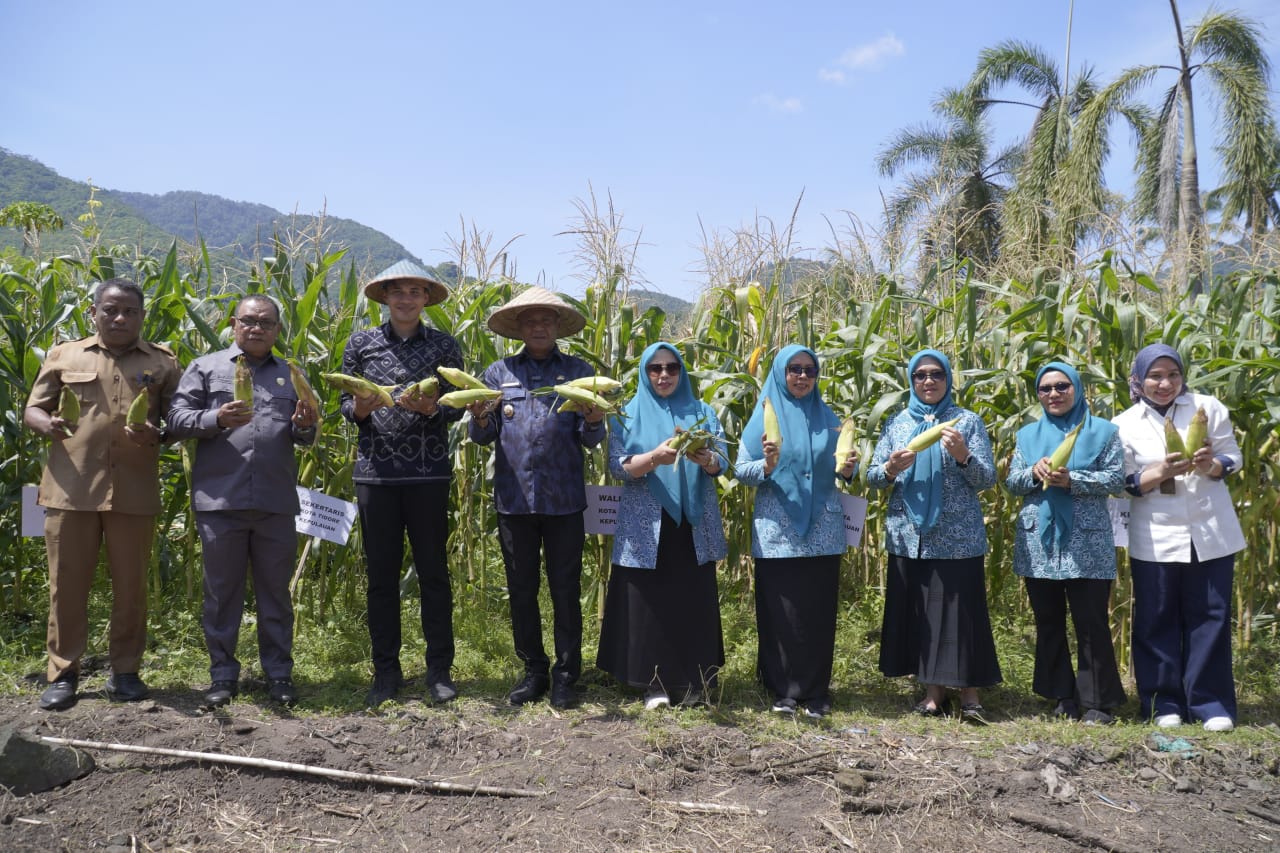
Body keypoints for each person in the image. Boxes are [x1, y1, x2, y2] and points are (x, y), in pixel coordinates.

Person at [24, 278, 182, 710]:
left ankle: (126, 671)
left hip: (133, 491)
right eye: (110, 310)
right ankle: (63, 673)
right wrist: (47, 424)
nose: (120, 318)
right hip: (70, 490)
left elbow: (178, 420)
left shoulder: (163, 362)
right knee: (66, 586)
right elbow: (33, 408)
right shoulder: (64, 355)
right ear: (93, 312)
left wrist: (158, 434)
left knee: (131, 588)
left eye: (130, 311)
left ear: (142, 316)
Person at [166, 295, 319, 707]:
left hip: (275, 501)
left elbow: (305, 437)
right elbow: (176, 419)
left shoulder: (290, 374)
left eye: (266, 323)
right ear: (234, 324)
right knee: (222, 593)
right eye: (249, 321)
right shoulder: (206, 367)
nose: (257, 328)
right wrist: (215, 418)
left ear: (278, 330)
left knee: (276, 594)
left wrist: (305, 426)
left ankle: (279, 674)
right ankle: (222, 676)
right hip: (221, 500)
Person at [466, 287, 606, 709]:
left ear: (558, 325)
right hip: (514, 500)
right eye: (530, 320)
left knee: (565, 590)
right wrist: (480, 418)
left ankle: (566, 674)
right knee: (522, 590)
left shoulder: (579, 372)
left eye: (546, 319)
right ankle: (533, 670)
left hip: (565, 501)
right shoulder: (498, 373)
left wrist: (594, 421)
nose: (539, 327)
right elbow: (483, 437)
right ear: (519, 327)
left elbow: (591, 439)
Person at [340, 260, 464, 706]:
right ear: (385, 297)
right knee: (381, 577)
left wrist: (433, 410)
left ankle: (439, 671)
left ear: (426, 299)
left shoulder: (445, 346)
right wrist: (361, 408)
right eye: (398, 291)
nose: (406, 299)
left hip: (428, 474)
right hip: (376, 475)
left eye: (415, 292)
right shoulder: (361, 344)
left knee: (434, 574)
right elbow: (345, 405)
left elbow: (457, 404)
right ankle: (386, 672)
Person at [1113, 343, 1245, 732]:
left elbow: (1233, 457)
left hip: (1210, 530)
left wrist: (1210, 464)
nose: (1165, 383)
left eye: (1173, 375)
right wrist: (1159, 472)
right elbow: (1123, 482)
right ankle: (1162, 702)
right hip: (1154, 533)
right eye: (1155, 376)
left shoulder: (1208, 408)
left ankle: (1210, 704)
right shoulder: (1123, 424)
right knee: (1156, 618)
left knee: (1210, 617)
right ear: (1138, 380)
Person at [868, 349, 1000, 722]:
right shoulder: (896, 423)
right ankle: (933, 693)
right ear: (911, 381)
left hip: (957, 538)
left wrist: (963, 455)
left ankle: (970, 694)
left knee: (961, 615)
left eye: (936, 374)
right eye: (920, 375)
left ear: (948, 379)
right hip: (910, 536)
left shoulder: (967, 422)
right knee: (924, 614)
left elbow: (987, 479)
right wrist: (890, 468)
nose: (928, 381)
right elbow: (873, 477)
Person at [596, 342, 727, 709]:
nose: (664, 375)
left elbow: (722, 463)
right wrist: (654, 457)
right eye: (655, 368)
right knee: (649, 604)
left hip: (692, 523)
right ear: (645, 373)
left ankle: (695, 682)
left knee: (691, 600)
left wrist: (707, 460)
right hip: (645, 527)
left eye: (672, 367)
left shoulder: (702, 412)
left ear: (681, 372)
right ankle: (652, 683)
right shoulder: (626, 414)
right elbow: (618, 466)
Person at [735, 345, 858, 718]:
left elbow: (844, 470)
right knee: (781, 612)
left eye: (809, 370)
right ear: (780, 373)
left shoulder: (829, 418)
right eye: (794, 369)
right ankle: (783, 690)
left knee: (818, 612)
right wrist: (767, 465)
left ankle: (816, 691)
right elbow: (741, 470)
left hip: (823, 528)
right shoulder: (765, 416)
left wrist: (849, 469)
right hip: (778, 530)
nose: (803, 376)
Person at [1004, 361, 1126, 725]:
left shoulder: (1104, 432)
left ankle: (1098, 702)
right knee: (1048, 621)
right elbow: (1012, 482)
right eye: (1045, 389)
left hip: (1086, 543)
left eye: (1062, 386)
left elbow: (1116, 479)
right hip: (1039, 544)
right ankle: (1061, 695)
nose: (1054, 394)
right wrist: (1033, 472)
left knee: (1091, 622)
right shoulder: (1027, 435)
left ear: (1077, 388)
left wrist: (1073, 480)